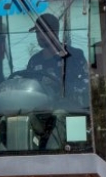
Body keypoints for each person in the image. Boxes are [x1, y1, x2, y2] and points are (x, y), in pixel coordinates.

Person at [25, 13, 89, 150]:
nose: (38, 36)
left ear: (54, 32)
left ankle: (49, 160)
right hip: (41, 111)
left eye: (40, 32)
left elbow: (86, 84)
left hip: (70, 110)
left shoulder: (74, 56)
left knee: (58, 115)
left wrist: (60, 85)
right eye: (36, 32)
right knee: (18, 119)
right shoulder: (34, 61)